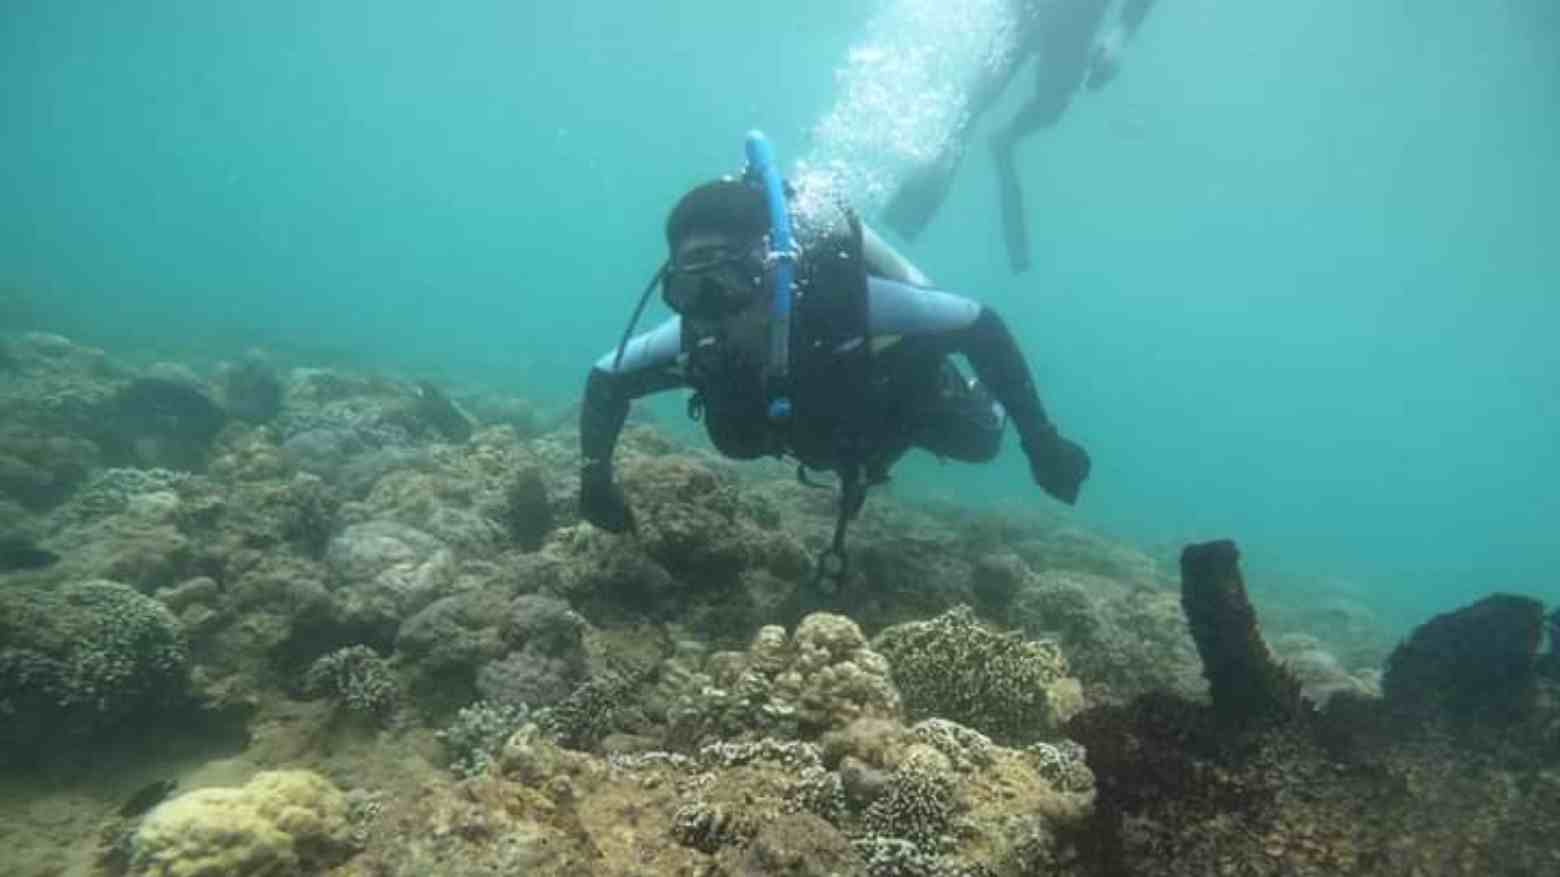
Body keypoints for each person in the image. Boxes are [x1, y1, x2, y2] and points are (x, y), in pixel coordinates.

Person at [577, 172, 1091, 582]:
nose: (713, 314)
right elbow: (606, 378)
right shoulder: (699, 334)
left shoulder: (844, 305)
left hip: (901, 401)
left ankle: (976, 396)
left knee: (980, 443)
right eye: (690, 292)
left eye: (728, 283)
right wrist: (595, 476)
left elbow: (979, 323)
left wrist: (1040, 439)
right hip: (821, 430)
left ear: (770, 269)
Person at [880, 0, 1161, 273]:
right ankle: (899, 224)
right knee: (971, 107)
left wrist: (1122, 32)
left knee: (1050, 108)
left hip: (1079, 15)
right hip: (1027, 8)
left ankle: (1004, 140)